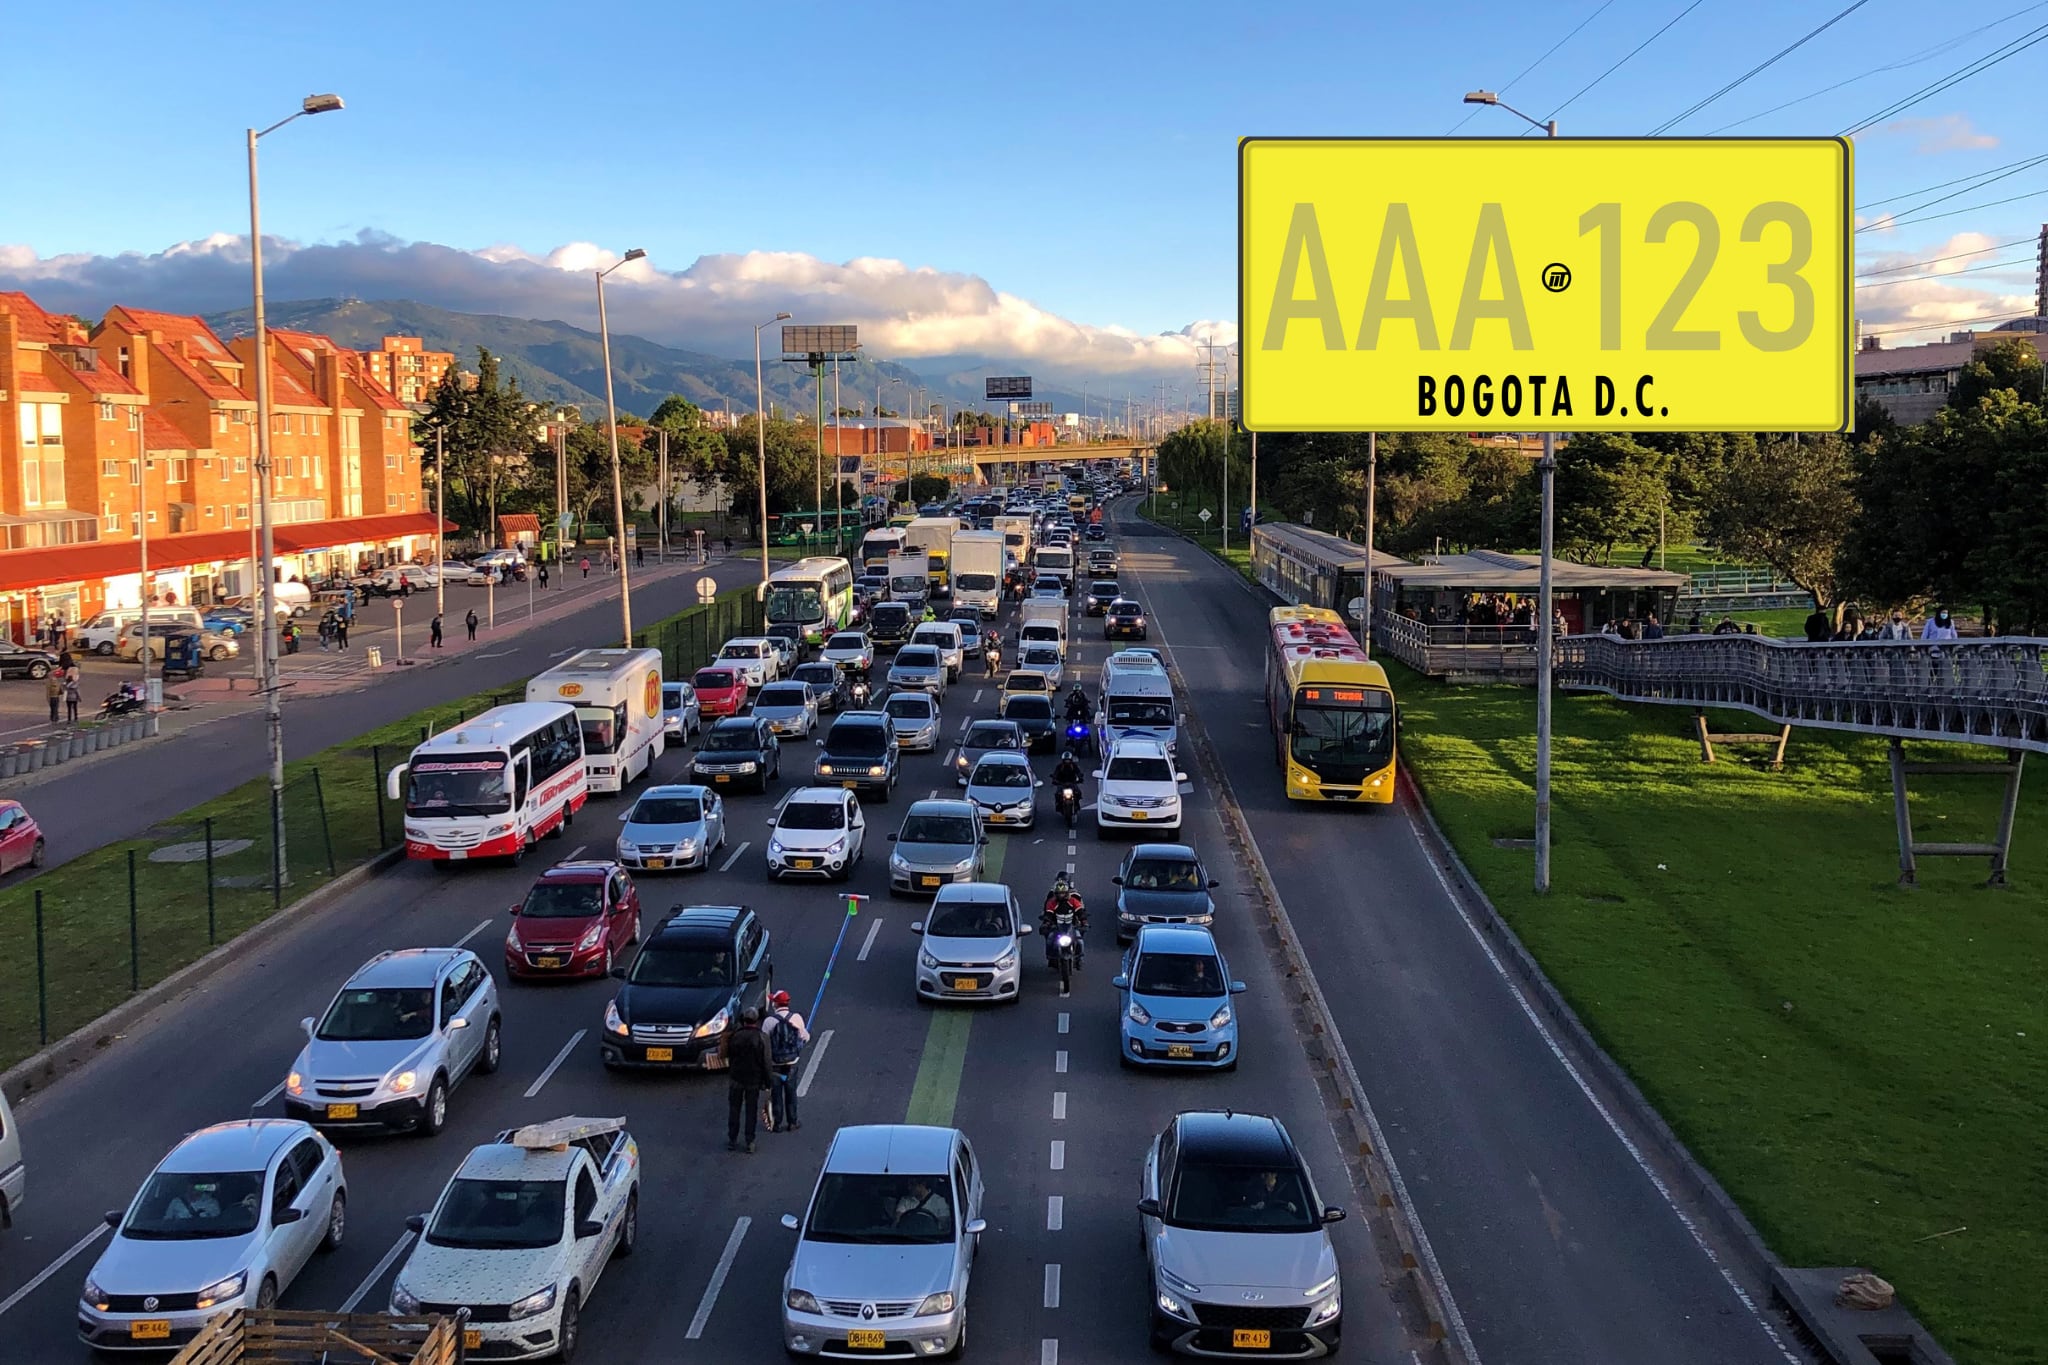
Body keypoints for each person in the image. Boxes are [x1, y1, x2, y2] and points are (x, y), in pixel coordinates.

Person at [720, 1006, 773, 1153]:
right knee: (751, 1111)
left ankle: (732, 1139)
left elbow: (727, 1054)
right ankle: (749, 1141)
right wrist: (768, 1081)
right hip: (754, 1080)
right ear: (756, 1021)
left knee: (734, 1109)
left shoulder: (735, 1036)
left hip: (736, 1077)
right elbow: (766, 1062)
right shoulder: (762, 1038)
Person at [762, 990, 811, 1133]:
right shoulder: (796, 1018)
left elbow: (764, 1041)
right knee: (791, 1093)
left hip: (775, 1065)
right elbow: (805, 1037)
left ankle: (777, 1123)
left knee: (776, 1094)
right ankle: (792, 1122)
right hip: (792, 1063)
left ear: (776, 1004)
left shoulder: (769, 1021)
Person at [1040, 873, 1088, 969]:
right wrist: (1046, 923)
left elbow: (1080, 911)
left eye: (1063, 893)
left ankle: (1079, 959)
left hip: (1072, 925)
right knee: (1050, 939)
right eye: (1059, 893)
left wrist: (1084, 921)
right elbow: (1048, 913)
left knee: (1079, 941)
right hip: (1057, 926)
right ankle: (1051, 958)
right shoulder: (1052, 901)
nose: (1061, 895)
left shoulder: (1074, 899)